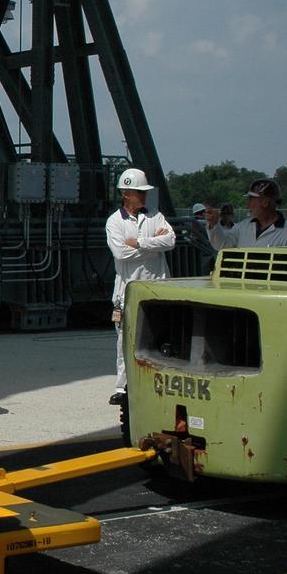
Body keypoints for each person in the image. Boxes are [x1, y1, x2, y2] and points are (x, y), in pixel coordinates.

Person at [106, 168, 174, 404]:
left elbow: (171, 240)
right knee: (125, 340)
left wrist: (140, 242)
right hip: (128, 291)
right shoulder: (114, 222)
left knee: (159, 337)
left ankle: (156, 381)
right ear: (126, 193)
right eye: (139, 192)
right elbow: (121, 252)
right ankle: (123, 388)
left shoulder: (154, 215)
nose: (144, 196)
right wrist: (153, 247)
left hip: (156, 290)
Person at [206, 178, 287, 249]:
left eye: (251, 199)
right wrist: (213, 225)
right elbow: (222, 245)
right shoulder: (242, 227)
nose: (248, 204)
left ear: (265, 202)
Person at [187, 202, 216, 275]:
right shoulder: (197, 223)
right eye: (202, 212)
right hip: (204, 253)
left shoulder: (192, 223)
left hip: (203, 253)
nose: (203, 214)